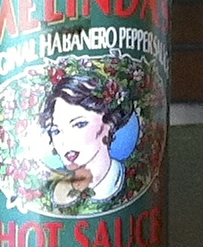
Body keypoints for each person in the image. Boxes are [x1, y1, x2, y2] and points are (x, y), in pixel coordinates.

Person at [43, 64, 138, 209]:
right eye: (56, 131)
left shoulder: (128, 179)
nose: (64, 141)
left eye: (79, 124)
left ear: (109, 124)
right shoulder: (55, 188)